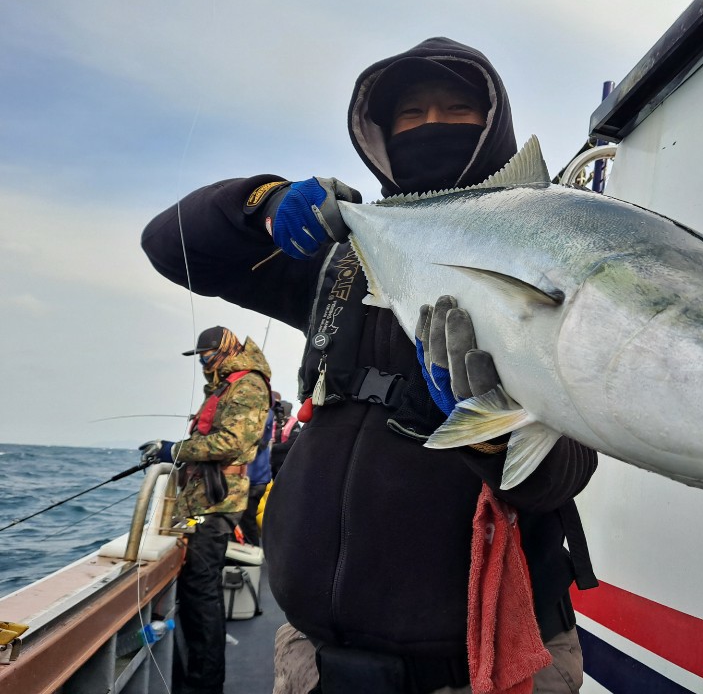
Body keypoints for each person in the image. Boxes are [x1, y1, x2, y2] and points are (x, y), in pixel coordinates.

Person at [142, 37, 598, 693]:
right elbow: (171, 245)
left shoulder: (548, 258)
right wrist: (264, 204)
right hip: (314, 660)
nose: (432, 125)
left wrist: (492, 429)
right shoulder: (343, 258)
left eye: (456, 109)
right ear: (380, 136)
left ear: (492, 126)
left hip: (486, 666)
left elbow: (565, 473)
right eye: (411, 114)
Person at [146, 325, 272, 694]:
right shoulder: (225, 385)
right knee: (197, 590)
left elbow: (233, 442)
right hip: (201, 502)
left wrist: (174, 450)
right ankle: (197, 677)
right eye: (200, 358)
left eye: (208, 356)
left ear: (226, 351)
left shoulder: (247, 385)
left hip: (216, 506)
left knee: (202, 593)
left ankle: (205, 685)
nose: (204, 363)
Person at [237, 391, 277, 547]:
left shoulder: (262, 414)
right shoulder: (267, 413)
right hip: (257, 478)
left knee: (246, 520)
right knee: (246, 520)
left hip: (253, 479)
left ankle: (251, 552)